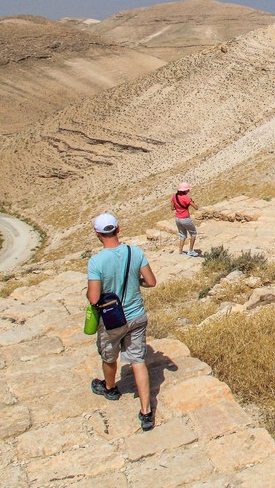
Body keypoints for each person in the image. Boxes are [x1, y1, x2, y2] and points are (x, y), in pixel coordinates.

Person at [87, 212, 158, 431]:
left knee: (109, 355)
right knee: (137, 360)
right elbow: (151, 281)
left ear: (98, 234)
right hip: (137, 315)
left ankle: (110, 388)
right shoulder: (135, 252)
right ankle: (146, 411)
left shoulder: (96, 261)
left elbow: (94, 298)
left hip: (112, 319)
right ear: (118, 229)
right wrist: (136, 284)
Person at [172, 182, 200, 256]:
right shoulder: (186, 198)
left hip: (177, 218)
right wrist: (190, 202)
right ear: (184, 190)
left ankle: (180, 251)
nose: (189, 191)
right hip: (185, 218)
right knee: (193, 234)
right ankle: (191, 251)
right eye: (188, 190)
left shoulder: (174, 196)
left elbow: (172, 208)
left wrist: (179, 207)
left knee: (182, 235)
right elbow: (196, 208)